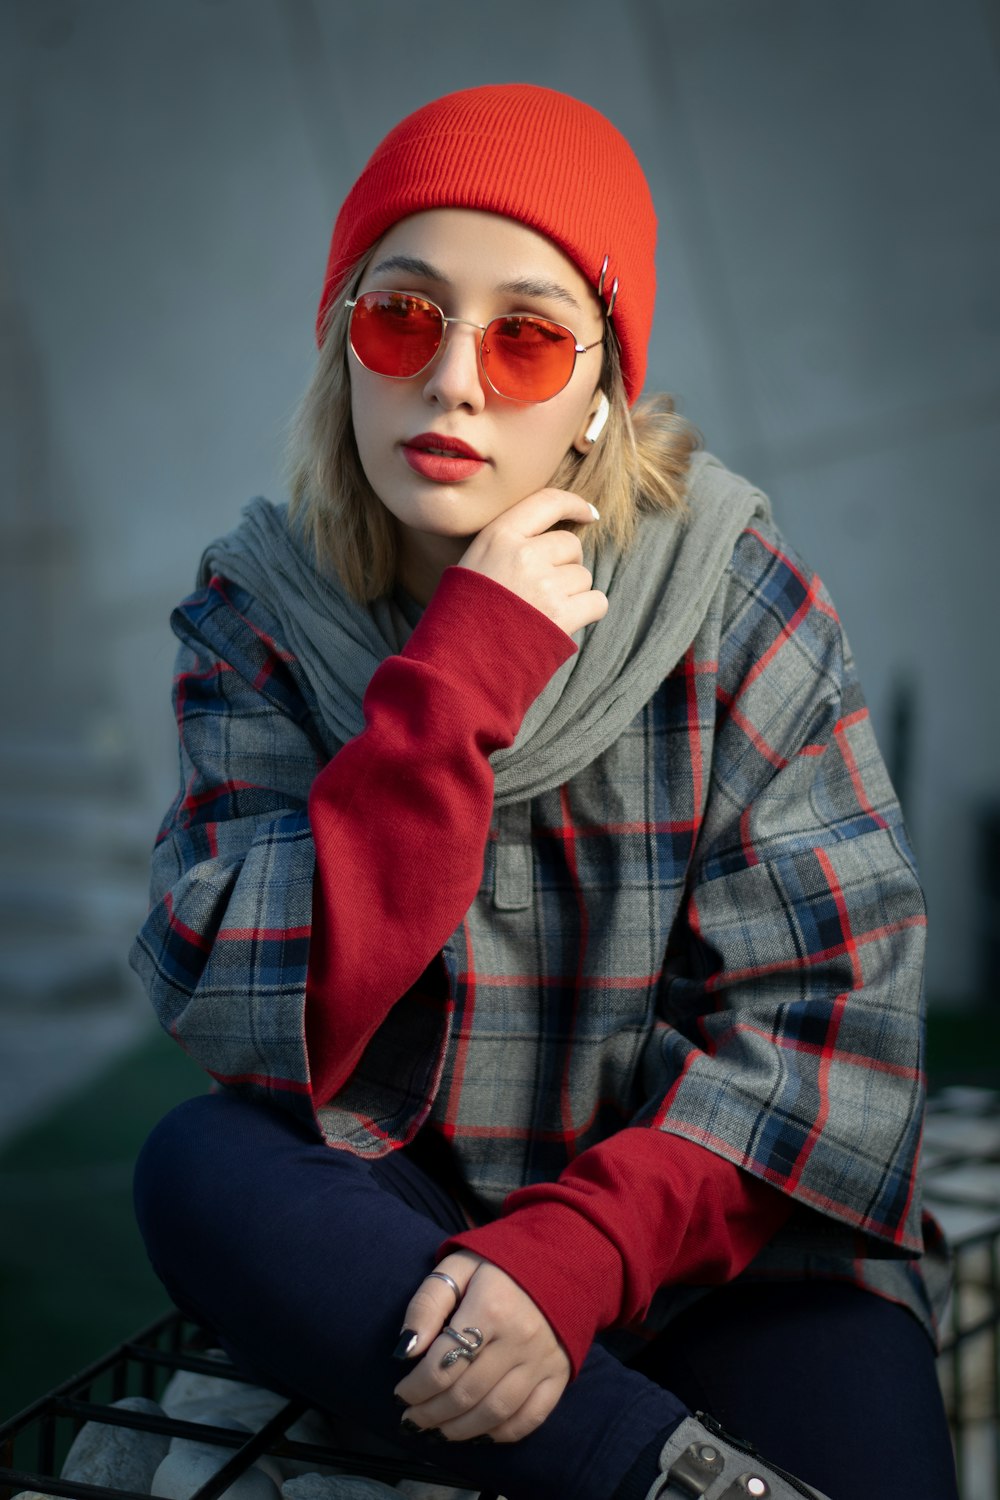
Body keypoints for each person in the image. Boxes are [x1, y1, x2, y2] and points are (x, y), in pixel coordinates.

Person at [131, 84, 958, 1500]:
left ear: (597, 401)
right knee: (202, 1165)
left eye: (523, 338)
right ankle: (648, 1472)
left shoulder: (734, 602)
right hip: (407, 1215)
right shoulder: (261, 609)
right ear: (343, 345)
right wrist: (458, 680)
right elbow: (242, 998)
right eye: (402, 318)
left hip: (718, 1251)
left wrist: (575, 1256)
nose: (451, 377)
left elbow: (826, 1031)